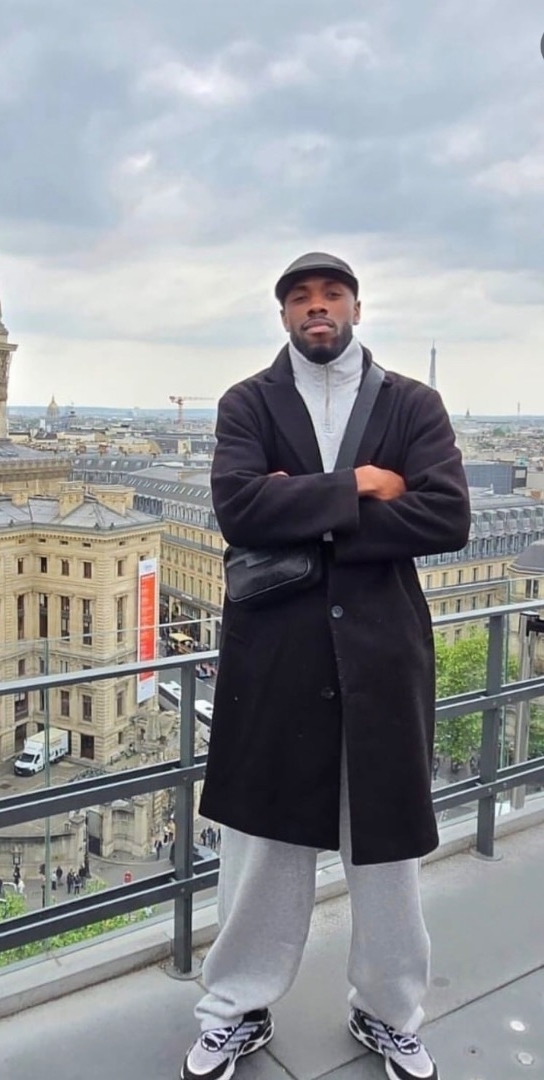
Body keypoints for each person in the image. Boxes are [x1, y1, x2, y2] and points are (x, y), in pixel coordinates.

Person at [181, 253, 470, 1080]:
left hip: (378, 656)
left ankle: (390, 1013)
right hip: (277, 659)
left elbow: (447, 516)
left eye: (331, 295)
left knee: (386, 858)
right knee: (260, 854)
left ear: (355, 307)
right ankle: (233, 1010)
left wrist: (305, 506)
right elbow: (239, 508)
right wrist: (365, 485)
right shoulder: (247, 401)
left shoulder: (413, 402)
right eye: (301, 298)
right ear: (283, 316)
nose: (317, 308)